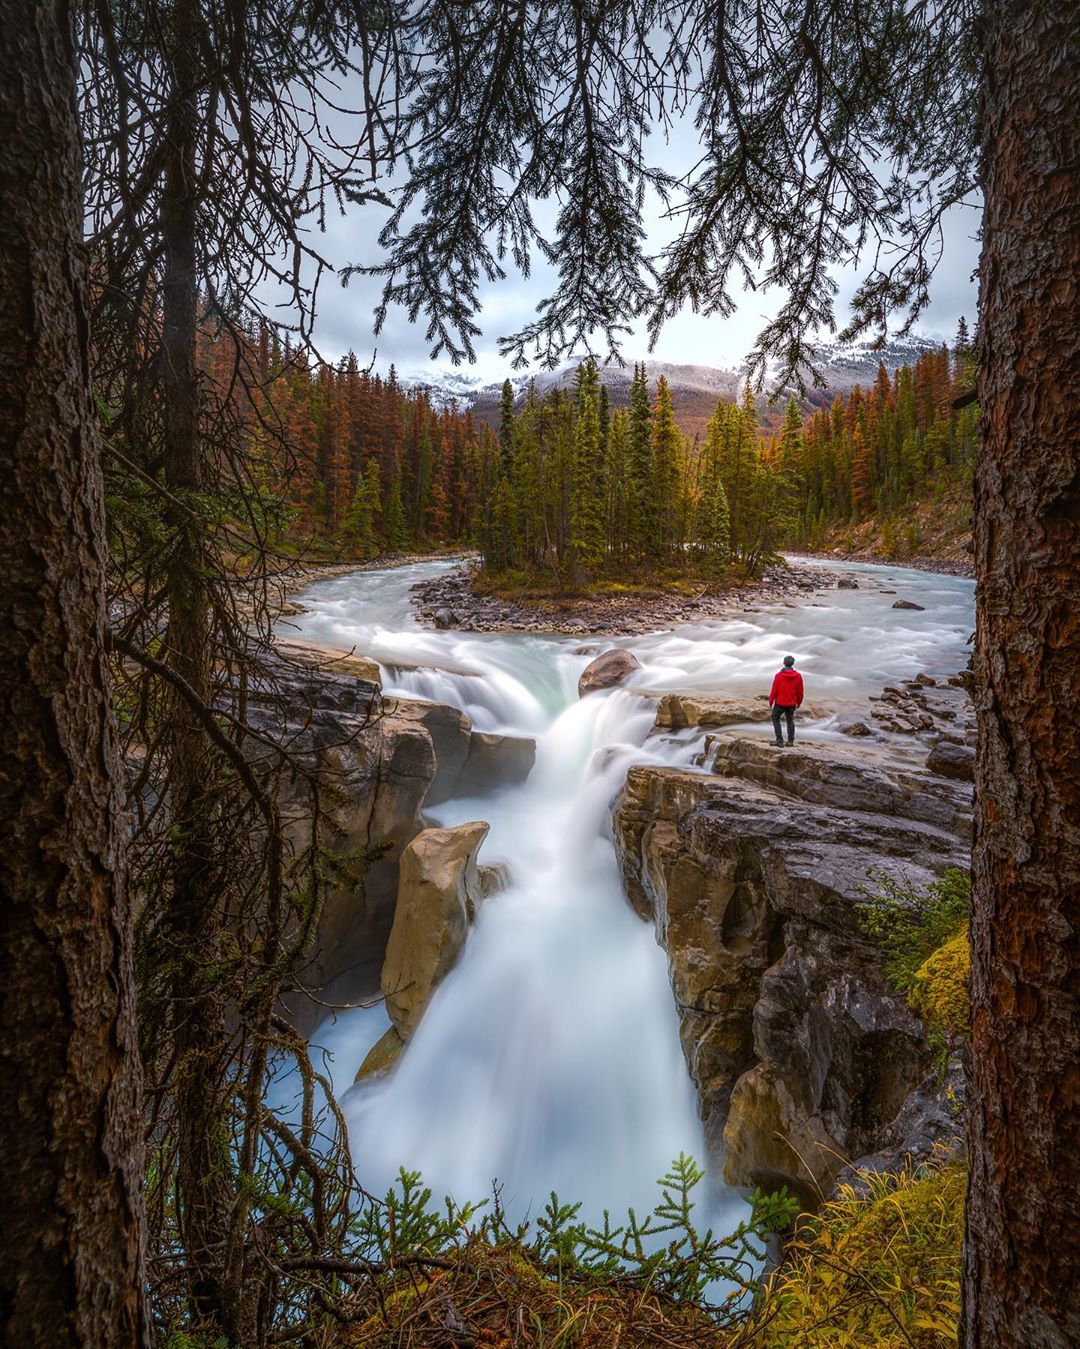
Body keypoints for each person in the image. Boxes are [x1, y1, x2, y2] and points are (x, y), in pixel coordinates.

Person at [769, 655, 803, 746]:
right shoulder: (798, 676)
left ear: (784, 663)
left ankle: (779, 740)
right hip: (791, 703)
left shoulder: (779, 676)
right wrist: (799, 702)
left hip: (780, 703)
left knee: (775, 718)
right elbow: (800, 692)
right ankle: (790, 741)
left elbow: (774, 690)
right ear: (793, 664)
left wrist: (771, 701)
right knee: (790, 720)